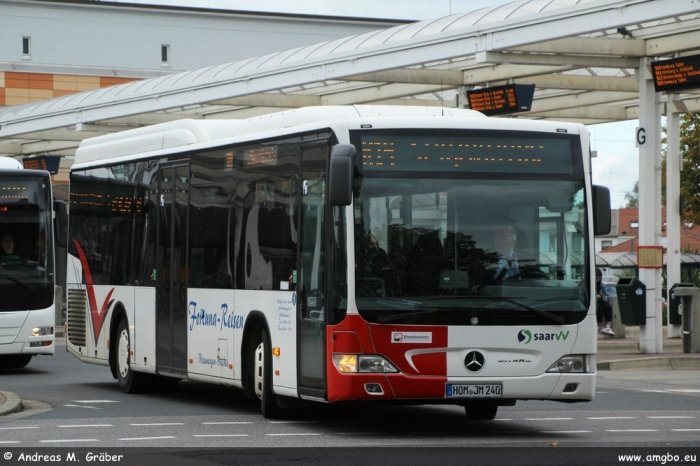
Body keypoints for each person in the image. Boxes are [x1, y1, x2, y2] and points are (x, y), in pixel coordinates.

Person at [471, 225, 521, 294]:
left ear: (513, 242)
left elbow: (538, 277)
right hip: (495, 298)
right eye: (496, 239)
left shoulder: (525, 259)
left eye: (502, 238)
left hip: (521, 298)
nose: (498, 241)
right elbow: (477, 280)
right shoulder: (488, 261)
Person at [596, 268, 615, 335]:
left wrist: (601, 296)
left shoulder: (602, 285)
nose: (598, 280)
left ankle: (608, 327)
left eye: (599, 278)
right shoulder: (587, 284)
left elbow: (606, 295)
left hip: (600, 300)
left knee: (608, 307)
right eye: (596, 278)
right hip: (592, 302)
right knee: (598, 308)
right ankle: (600, 327)